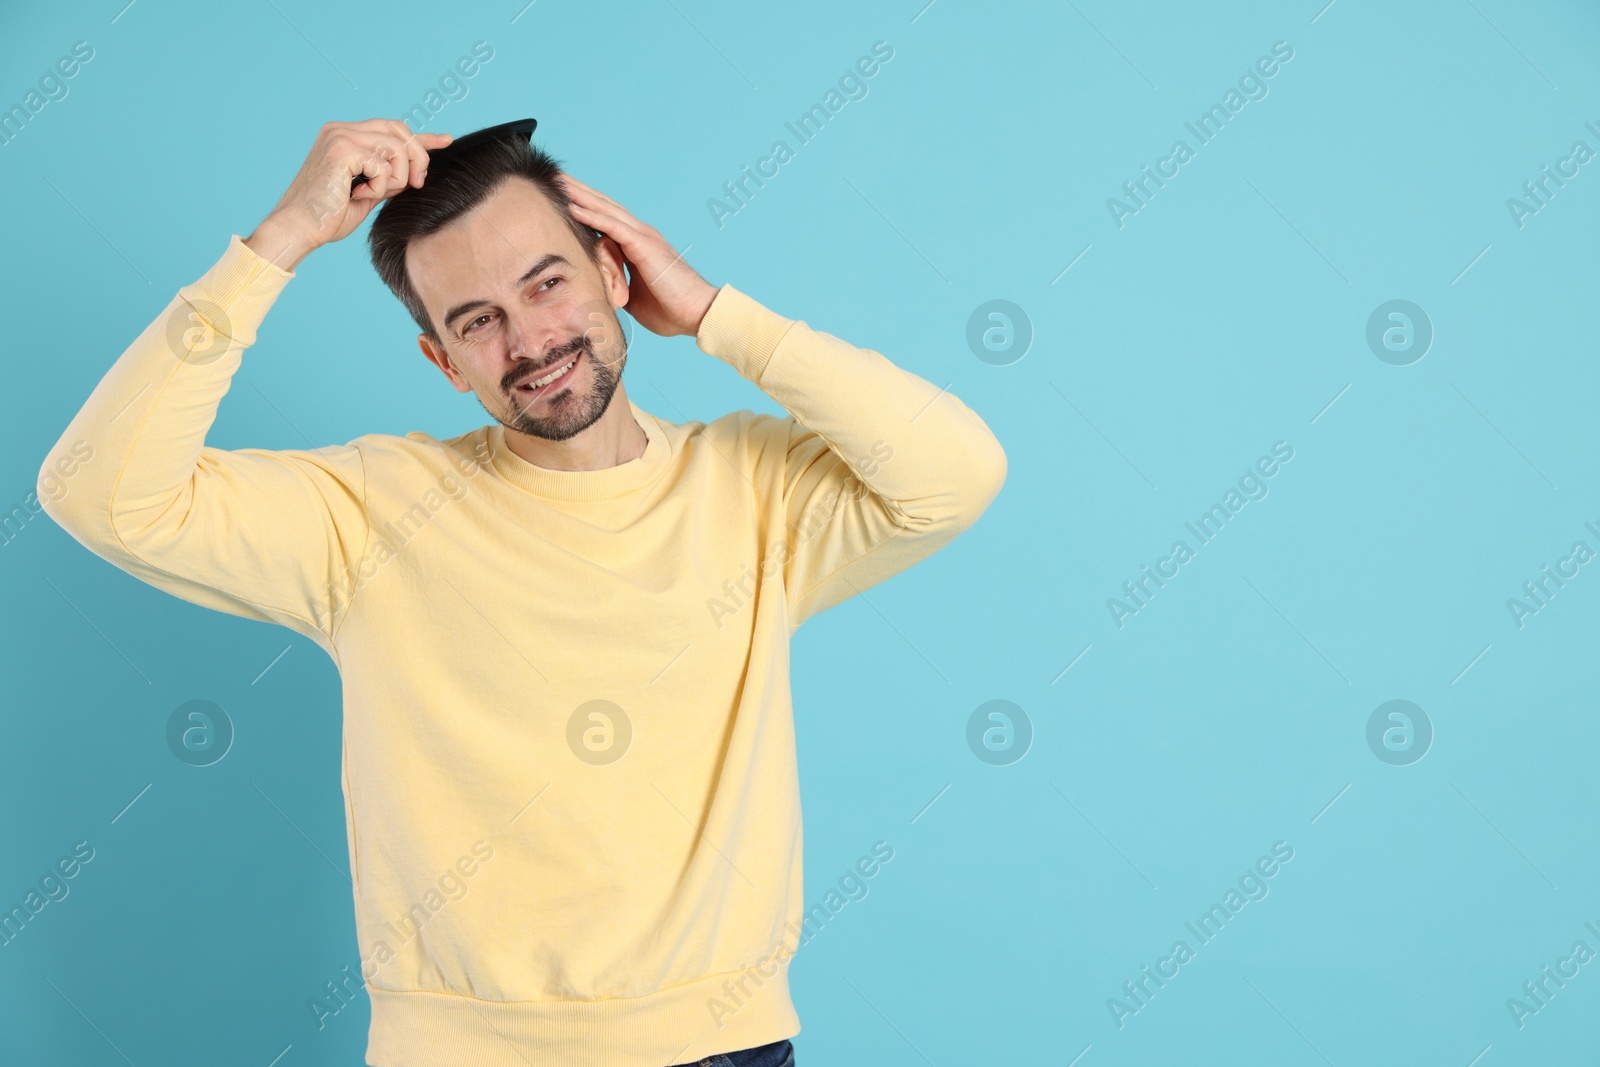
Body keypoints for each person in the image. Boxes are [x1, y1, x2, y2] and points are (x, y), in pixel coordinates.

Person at [37, 117, 1006, 1067]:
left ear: (616, 275)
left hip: (721, 1047)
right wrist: (281, 238)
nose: (531, 339)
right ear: (444, 363)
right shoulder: (370, 513)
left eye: (546, 283)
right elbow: (99, 490)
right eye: (477, 322)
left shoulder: (755, 488)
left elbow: (955, 470)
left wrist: (716, 312)